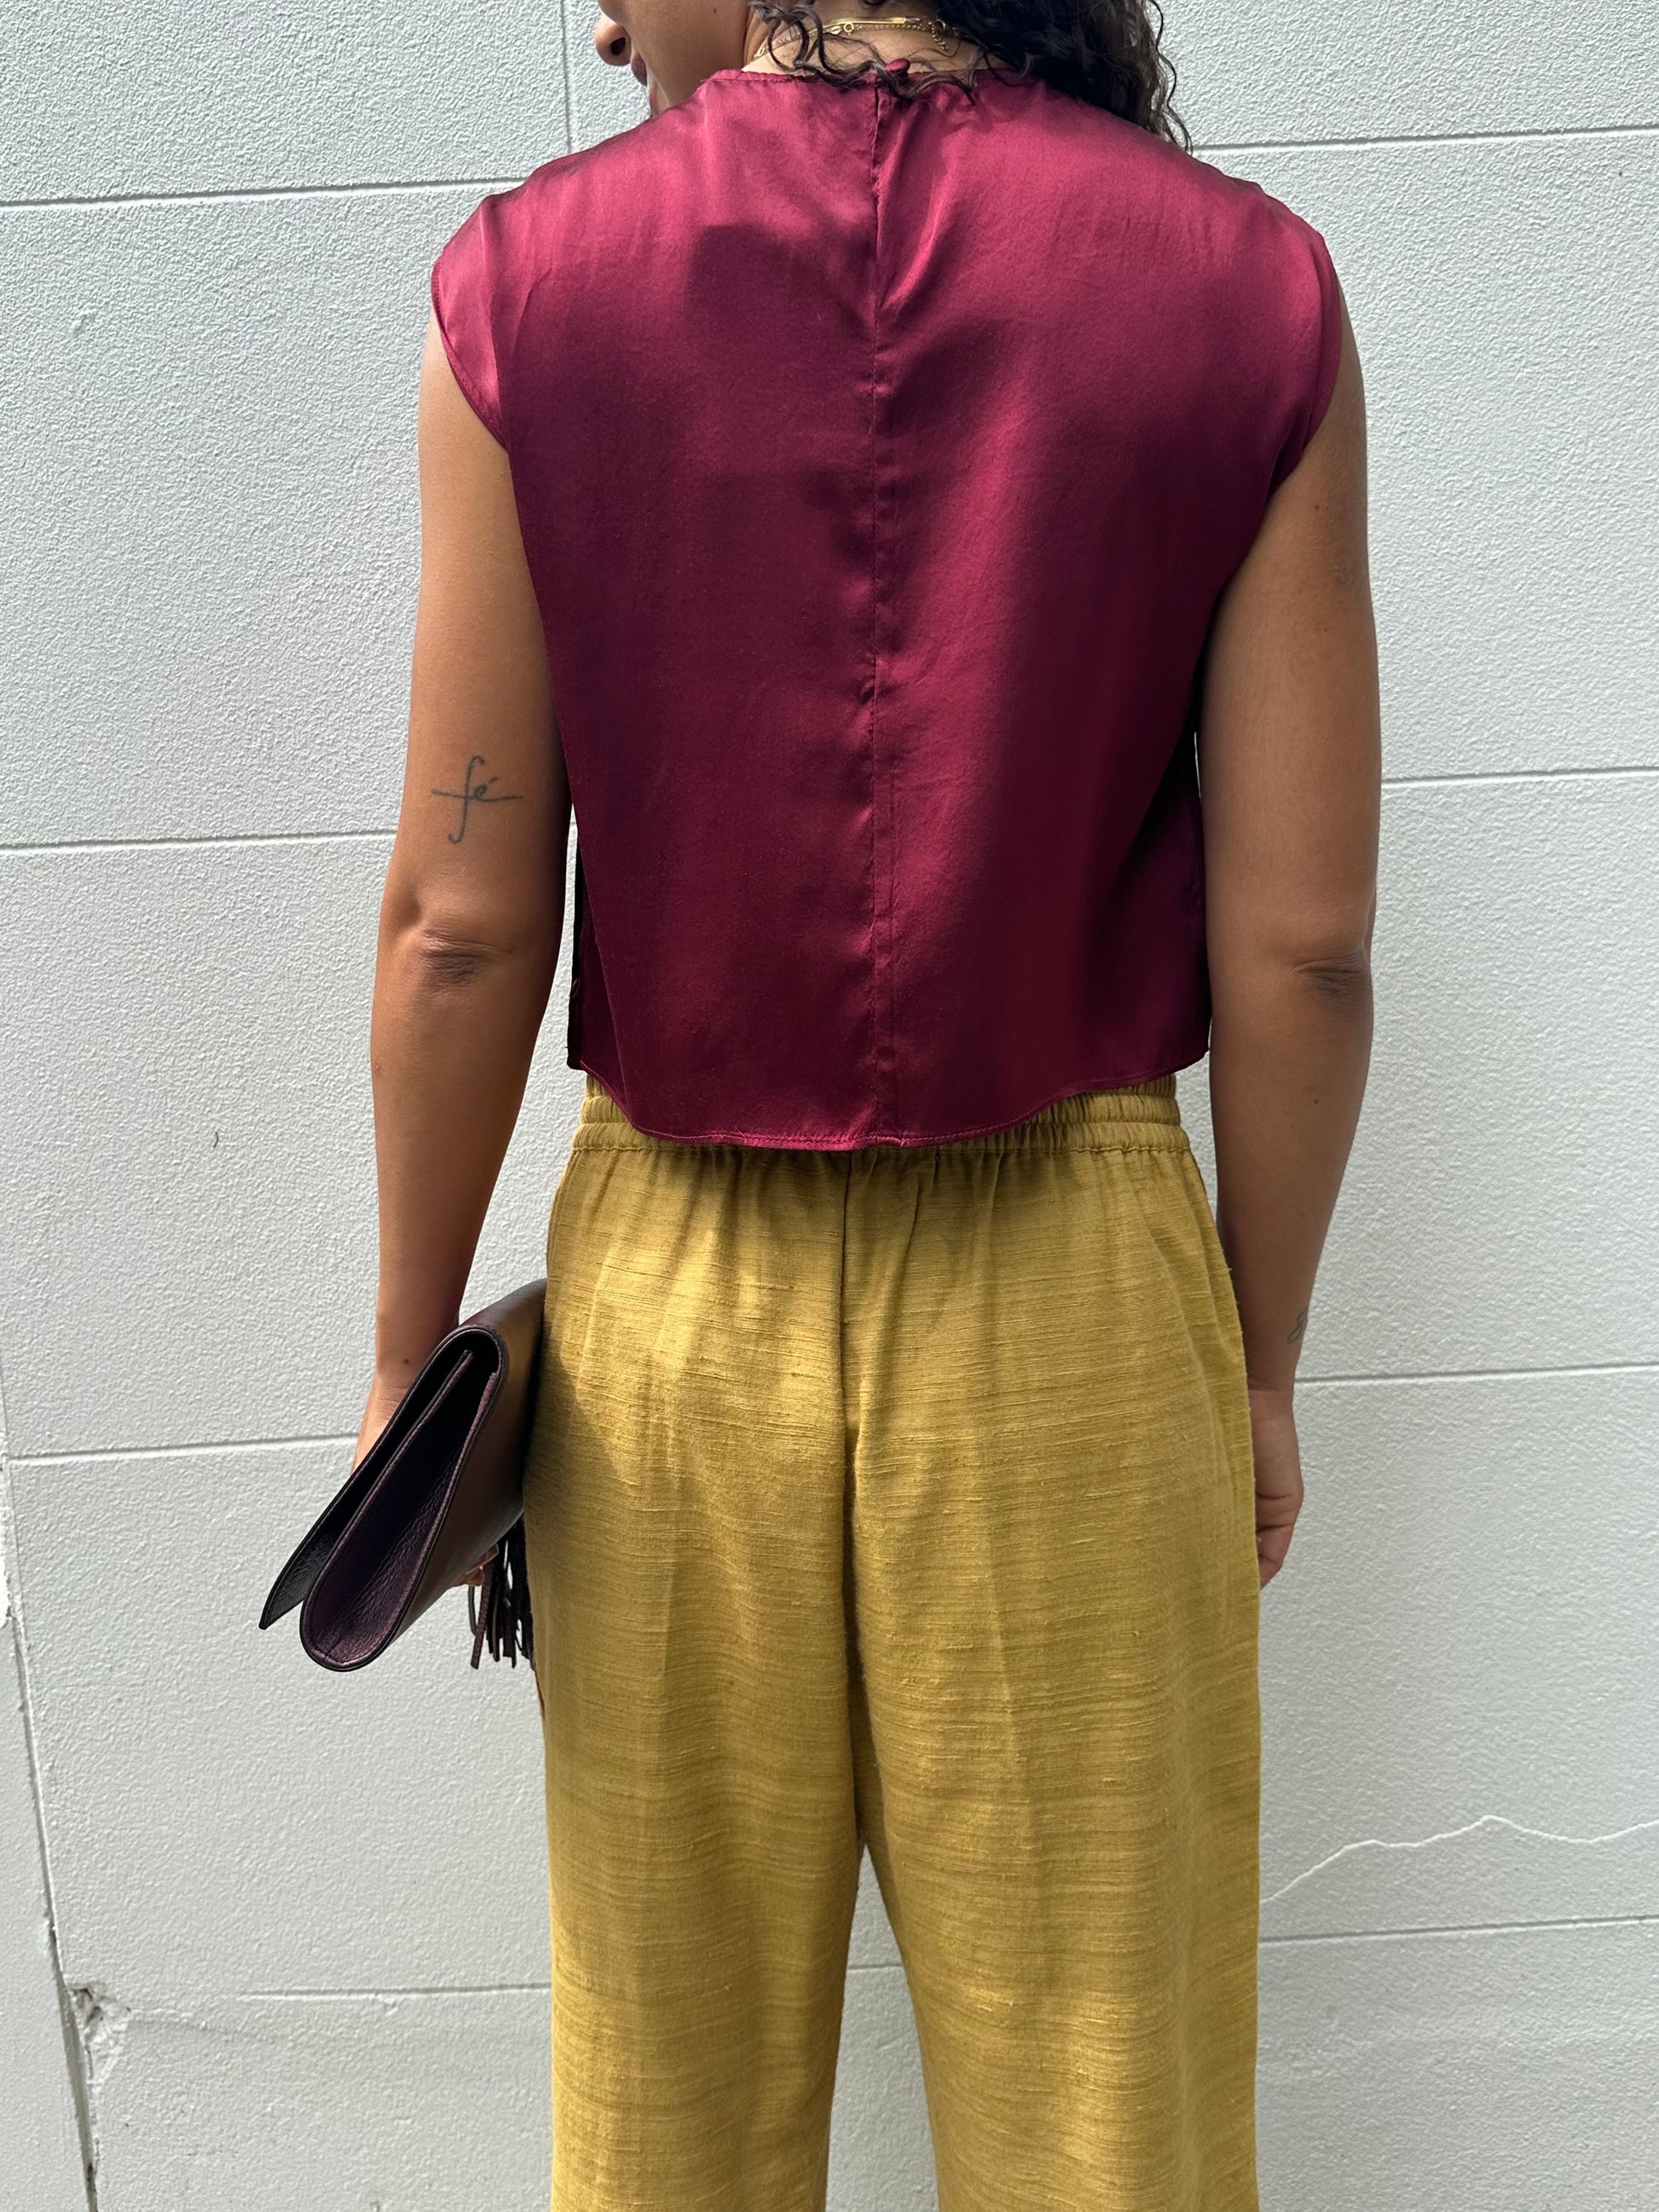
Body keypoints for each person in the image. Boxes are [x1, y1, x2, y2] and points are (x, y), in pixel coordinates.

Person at [355, 0, 1379, 2203]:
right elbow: (1299, 948)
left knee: (667, 2120)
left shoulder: (526, 297)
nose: (600, 20)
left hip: (670, 1334)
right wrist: (1258, 1359)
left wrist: (401, 1358)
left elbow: (458, 923)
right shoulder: (1248, 297)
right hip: (1078, 1305)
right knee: (1108, 2130)